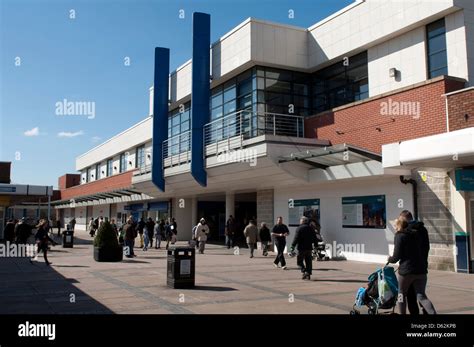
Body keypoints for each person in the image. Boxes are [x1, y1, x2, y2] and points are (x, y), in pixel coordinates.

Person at [387, 210, 437, 315]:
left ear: (401, 221)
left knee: (401, 294)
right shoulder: (422, 230)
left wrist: (389, 259)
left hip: (406, 271)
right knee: (421, 296)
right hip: (421, 269)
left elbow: (396, 256)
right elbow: (426, 248)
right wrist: (422, 262)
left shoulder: (401, 235)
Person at [290, 216, 317, 280]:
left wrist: (292, 246)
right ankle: (308, 273)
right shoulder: (311, 228)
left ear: (302, 221)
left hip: (301, 248)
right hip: (309, 248)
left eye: (300, 220)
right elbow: (315, 238)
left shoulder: (299, 228)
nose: (299, 221)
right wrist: (316, 246)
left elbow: (296, 238)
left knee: (299, 262)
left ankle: (304, 271)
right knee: (308, 261)